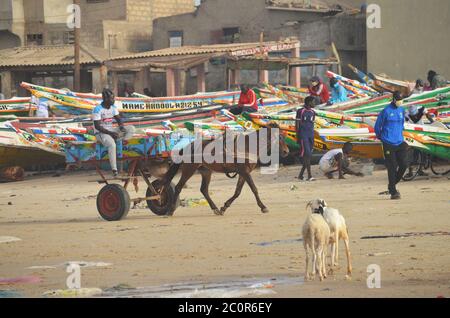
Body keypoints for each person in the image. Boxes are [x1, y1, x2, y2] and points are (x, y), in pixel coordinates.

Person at [93, 88, 136, 177]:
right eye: (112, 98)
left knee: (131, 128)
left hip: (111, 130)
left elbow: (119, 120)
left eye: (113, 98)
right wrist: (111, 133)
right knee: (112, 145)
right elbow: (97, 126)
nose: (113, 100)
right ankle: (114, 170)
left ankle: (122, 144)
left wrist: (121, 127)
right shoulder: (97, 109)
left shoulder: (113, 108)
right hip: (101, 133)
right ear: (105, 99)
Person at [374, 91, 408, 200]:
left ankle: (391, 185)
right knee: (392, 166)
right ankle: (393, 192)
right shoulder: (386, 111)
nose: (399, 102)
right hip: (388, 142)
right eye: (398, 100)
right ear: (393, 99)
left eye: (401, 100)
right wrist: (381, 137)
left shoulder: (402, 110)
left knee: (404, 164)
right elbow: (377, 126)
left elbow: (402, 124)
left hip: (399, 141)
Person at [296, 96, 316, 181]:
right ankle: (309, 176)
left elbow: (312, 125)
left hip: (311, 136)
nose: (314, 103)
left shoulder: (313, 112)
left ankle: (300, 175)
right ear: (309, 102)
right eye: (313, 102)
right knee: (307, 155)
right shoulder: (300, 111)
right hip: (303, 135)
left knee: (308, 156)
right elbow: (297, 124)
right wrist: (297, 136)